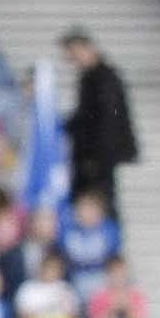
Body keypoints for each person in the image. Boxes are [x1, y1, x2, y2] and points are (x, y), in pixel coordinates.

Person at [60, 31, 137, 213]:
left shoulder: (104, 79)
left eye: (74, 53)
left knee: (100, 200)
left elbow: (107, 122)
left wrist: (96, 157)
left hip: (97, 158)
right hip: (94, 156)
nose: (72, 59)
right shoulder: (93, 78)